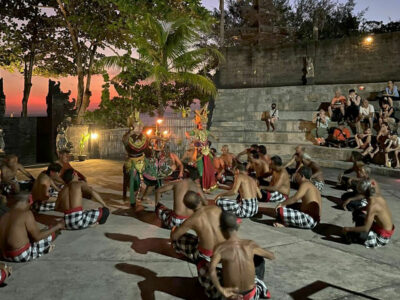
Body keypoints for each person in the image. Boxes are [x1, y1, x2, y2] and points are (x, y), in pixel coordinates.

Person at [171, 191, 225, 299]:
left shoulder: (192, 220)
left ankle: (183, 253)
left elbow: (175, 236)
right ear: (200, 200)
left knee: (176, 236)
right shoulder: (217, 209)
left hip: (207, 256)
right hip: (225, 251)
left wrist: (174, 230)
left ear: (188, 207)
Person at [209, 212, 274, 300]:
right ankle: (259, 286)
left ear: (221, 229)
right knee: (258, 258)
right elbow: (271, 256)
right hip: (251, 296)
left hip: (231, 295)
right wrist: (254, 251)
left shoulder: (220, 248)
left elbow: (211, 269)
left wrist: (222, 290)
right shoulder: (249, 244)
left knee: (215, 272)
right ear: (238, 226)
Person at [0, 193, 64, 262]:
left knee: (37, 232)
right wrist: (57, 226)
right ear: (28, 201)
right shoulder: (26, 213)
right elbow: (37, 237)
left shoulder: (4, 216)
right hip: (20, 255)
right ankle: (42, 250)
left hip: (4, 255)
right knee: (52, 232)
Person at [343, 180, 395, 248]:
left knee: (354, 230)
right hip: (385, 232)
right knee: (358, 212)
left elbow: (366, 228)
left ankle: (356, 236)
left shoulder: (372, 206)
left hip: (381, 238)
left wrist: (348, 229)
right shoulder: (377, 197)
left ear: (363, 194)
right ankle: (356, 234)